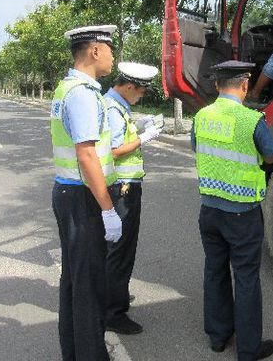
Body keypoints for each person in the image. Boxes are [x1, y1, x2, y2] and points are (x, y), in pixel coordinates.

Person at [191, 60, 273, 361]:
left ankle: (218, 338)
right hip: (242, 214)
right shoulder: (252, 120)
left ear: (217, 86)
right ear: (245, 85)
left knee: (214, 270)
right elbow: (270, 155)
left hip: (209, 210)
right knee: (245, 277)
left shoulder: (201, 117)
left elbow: (197, 149)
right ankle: (248, 350)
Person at [50, 25, 121, 361]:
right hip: (83, 198)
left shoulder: (70, 87)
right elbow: (86, 154)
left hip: (70, 193)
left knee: (74, 279)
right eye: (110, 49)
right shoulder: (81, 93)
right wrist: (107, 209)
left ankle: (75, 352)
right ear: (95, 51)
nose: (113, 56)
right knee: (89, 283)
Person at [103, 62, 161, 335]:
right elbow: (113, 151)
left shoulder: (115, 104)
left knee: (117, 249)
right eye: (140, 93)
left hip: (120, 186)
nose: (141, 97)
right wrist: (144, 138)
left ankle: (114, 298)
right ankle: (113, 312)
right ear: (128, 86)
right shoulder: (114, 108)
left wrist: (136, 127)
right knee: (120, 251)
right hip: (123, 189)